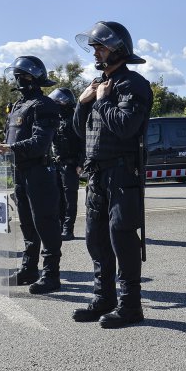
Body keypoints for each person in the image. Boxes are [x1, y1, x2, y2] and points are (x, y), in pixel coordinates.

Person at [71, 21, 153, 328]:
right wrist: (82, 104)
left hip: (122, 174)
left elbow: (126, 127)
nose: (96, 52)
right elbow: (81, 131)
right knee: (96, 239)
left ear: (117, 49)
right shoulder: (98, 85)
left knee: (122, 239)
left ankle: (130, 306)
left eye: (101, 46)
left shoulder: (134, 85)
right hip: (97, 174)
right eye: (94, 47)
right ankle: (103, 298)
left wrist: (104, 101)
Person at [0, 56, 62, 294]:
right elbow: (12, 138)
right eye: (17, 75)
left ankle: (51, 275)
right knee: (27, 223)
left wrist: (11, 149)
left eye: (22, 75)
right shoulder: (17, 106)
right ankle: (29, 269)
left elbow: (40, 143)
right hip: (20, 171)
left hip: (40, 172)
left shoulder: (45, 105)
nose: (18, 79)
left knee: (45, 223)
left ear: (34, 77)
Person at [50, 87, 82, 241]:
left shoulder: (75, 119)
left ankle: (68, 229)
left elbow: (83, 142)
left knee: (70, 199)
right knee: (57, 198)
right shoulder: (56, 120)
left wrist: (81, 163)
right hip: (57, 164)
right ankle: (60, 226)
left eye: (58, 101)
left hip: (71, 164)